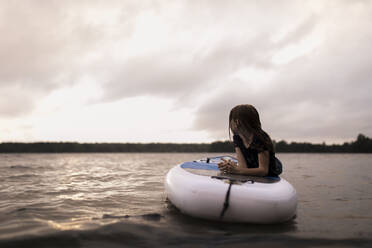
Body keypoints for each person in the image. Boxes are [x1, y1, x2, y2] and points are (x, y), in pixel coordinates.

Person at [218, 104, 277, 177]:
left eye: (231, 121)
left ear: (237, 122)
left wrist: (236, 170)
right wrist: (230, 167)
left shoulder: (260, 138)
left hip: (269, 172)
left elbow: (263, 171)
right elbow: (243, 167)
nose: (230, 124)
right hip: (251, 170)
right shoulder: (237, 138)